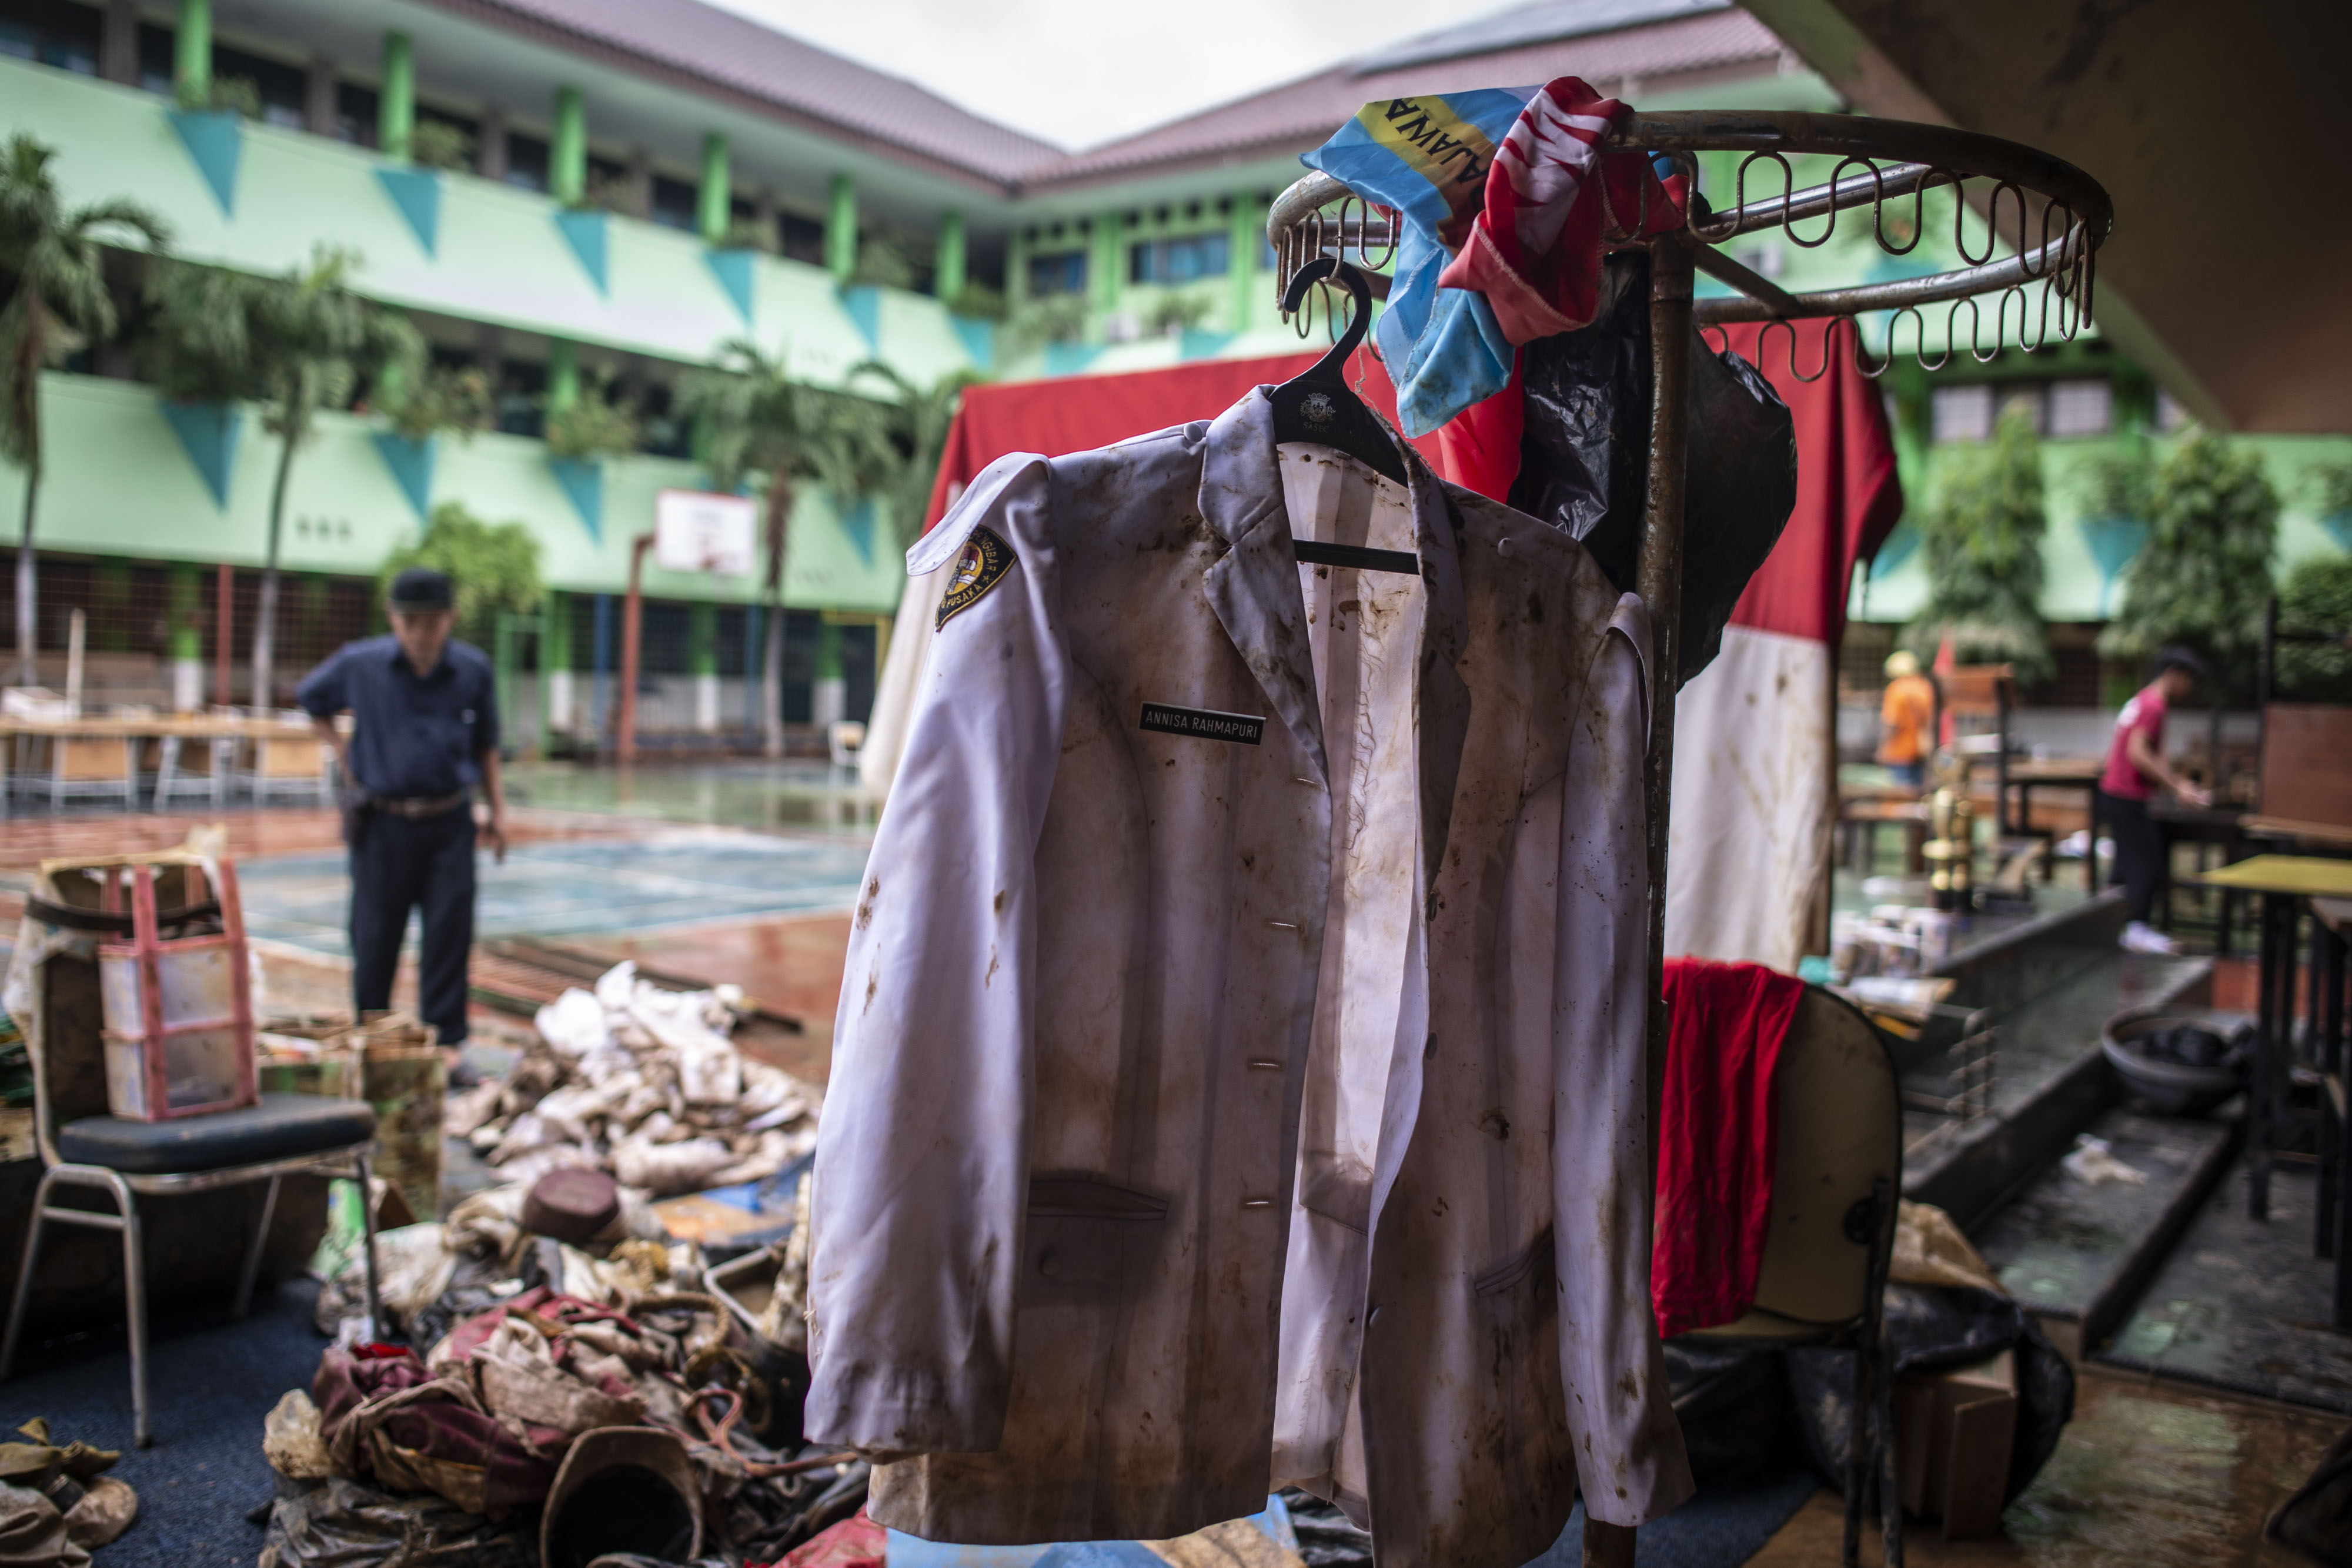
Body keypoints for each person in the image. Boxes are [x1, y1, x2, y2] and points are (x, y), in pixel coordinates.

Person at [298, 567, 508, 1069]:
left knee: (448, 933)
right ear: (393, 618)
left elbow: (488, 746)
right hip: (382, 825)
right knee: (374, 935)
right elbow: (311, 698)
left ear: (450, 618)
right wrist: (341, 749)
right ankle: (374, 1041)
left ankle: (448, 1046)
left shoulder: (472, 670)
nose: (419, 633)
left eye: (431, 622)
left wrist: (498, 812)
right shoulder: (360, 664)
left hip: (449, 823)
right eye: (409, 621)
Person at [2099, 646, 2210, 956]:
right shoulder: (2155, 705)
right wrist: (2177, 788)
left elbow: (2148, 752)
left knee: (2126, 864)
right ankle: (2135, 928)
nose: (2190, 689)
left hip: (2116, 791)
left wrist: (2176, 783)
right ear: (2174, 675)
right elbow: (2138, 752)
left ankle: (2114, 926)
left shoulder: (2144, 699)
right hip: (2126, 794)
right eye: (2189, 680)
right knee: (2145, 863)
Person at [1878, 649, 1937, 788]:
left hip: (1899, 752)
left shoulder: (1896, 689)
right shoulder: (1925, 688)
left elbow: (1892, 723)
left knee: (1900, 798)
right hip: (1921, 751)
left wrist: (1882, 748)